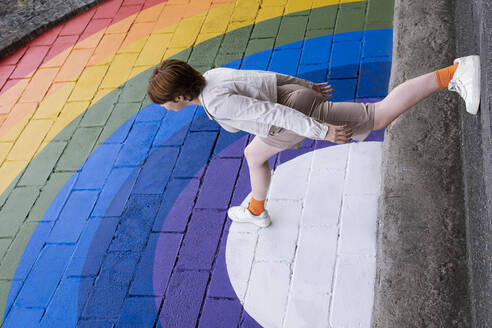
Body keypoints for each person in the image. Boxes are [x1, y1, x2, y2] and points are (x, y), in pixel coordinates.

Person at [147, 55, 481, 228]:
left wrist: (323, 131)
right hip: (292, 96)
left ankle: (454, 74)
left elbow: (274, 114)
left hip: (290, 115)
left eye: (164, 101)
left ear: (179, 96)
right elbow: (266, 79)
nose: (165, 107)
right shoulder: (213, 76)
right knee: (253, 155)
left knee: (378, 115)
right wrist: (305, 83)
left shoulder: (217, 102)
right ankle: (256, 210)